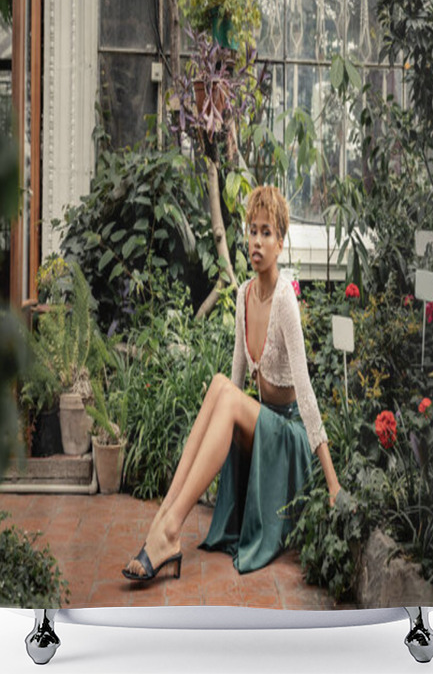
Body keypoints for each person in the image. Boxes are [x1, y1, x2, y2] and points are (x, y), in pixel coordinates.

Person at [123, 185, 341, 581]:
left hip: (288, 441)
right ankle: (163, 522)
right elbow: (235, 386)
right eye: (252, 230)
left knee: (226, 390)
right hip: (260, 433)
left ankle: (169, 531)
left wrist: (333, 483)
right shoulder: (243, 294)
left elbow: (306, 395)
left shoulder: (286, 302)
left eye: (267, 233)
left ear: (280, 242)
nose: (257, 241)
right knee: (222, 384)